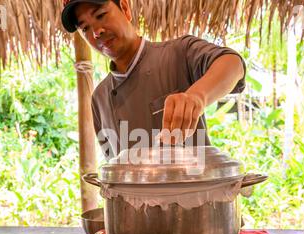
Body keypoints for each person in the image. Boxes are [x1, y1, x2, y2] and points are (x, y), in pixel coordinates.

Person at [61, 0, 246, 160]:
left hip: (193, 198)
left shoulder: (179, 53)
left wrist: (197, 96)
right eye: (85, 28)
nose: (96, 32)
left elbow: (233, 64)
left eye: (101, 15)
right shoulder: (99, 98)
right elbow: (114, 170)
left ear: (125, 8)